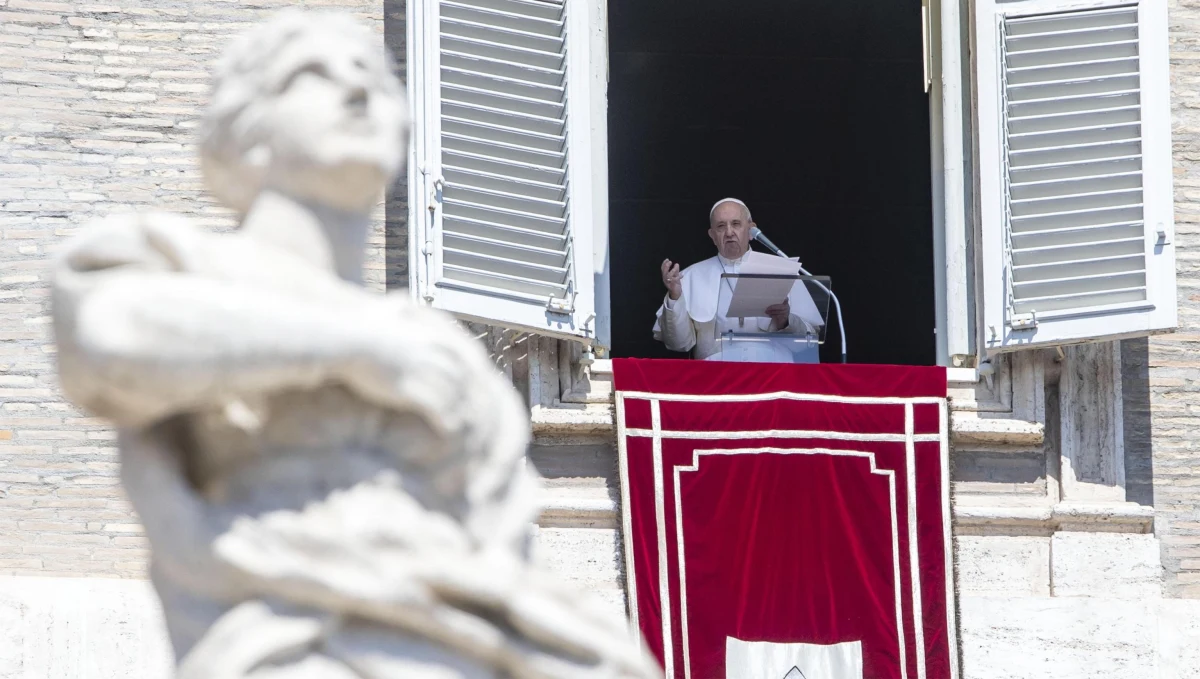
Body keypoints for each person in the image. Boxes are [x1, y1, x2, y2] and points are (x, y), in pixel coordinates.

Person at [51, 11, 657, 678]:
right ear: (244, 134)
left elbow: (498, 527)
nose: (357, 91)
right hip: (290, 632)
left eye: (375, 76)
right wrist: (353, 349)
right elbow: (108, 339)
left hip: (456, 625)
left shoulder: (439, 348)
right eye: (312, 74)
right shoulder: (178, 267)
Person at [653, 198, 818, 362]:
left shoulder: (782, 270)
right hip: (715, 374)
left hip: (773, 372)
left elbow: (809, 341)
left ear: (751, 230)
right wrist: (675, 297)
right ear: (712, 236)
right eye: (721, 226)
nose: (729, 232)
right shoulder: (690, 276)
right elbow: (679, 344)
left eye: (736, 224)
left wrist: (786, 320)